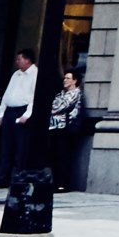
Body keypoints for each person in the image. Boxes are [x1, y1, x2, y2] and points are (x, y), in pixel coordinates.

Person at [0, 49, 41, 178]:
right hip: (9, 111)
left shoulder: (35, 74)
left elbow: (34, 97)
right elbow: (7, 94)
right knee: (6, 146)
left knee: (21, 146)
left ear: (27, 60)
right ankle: (3, 177)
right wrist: (1, 113)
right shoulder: (16, 74)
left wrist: (27, 114)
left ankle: (19, 175)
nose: (17, 62)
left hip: (22, 111)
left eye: (19, 59)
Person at [44, 62, 90, 192]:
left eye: (68, 78)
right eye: (64, 78)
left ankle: (63, 184)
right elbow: (53, 106)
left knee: (63, 156)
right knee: (54, 156)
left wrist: (54, 108)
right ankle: (56, 182)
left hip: (65, 128)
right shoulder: (61, 94)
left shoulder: (75, 93)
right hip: (53, 127)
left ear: (75, 81)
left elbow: (58, 107)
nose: (65, 80)